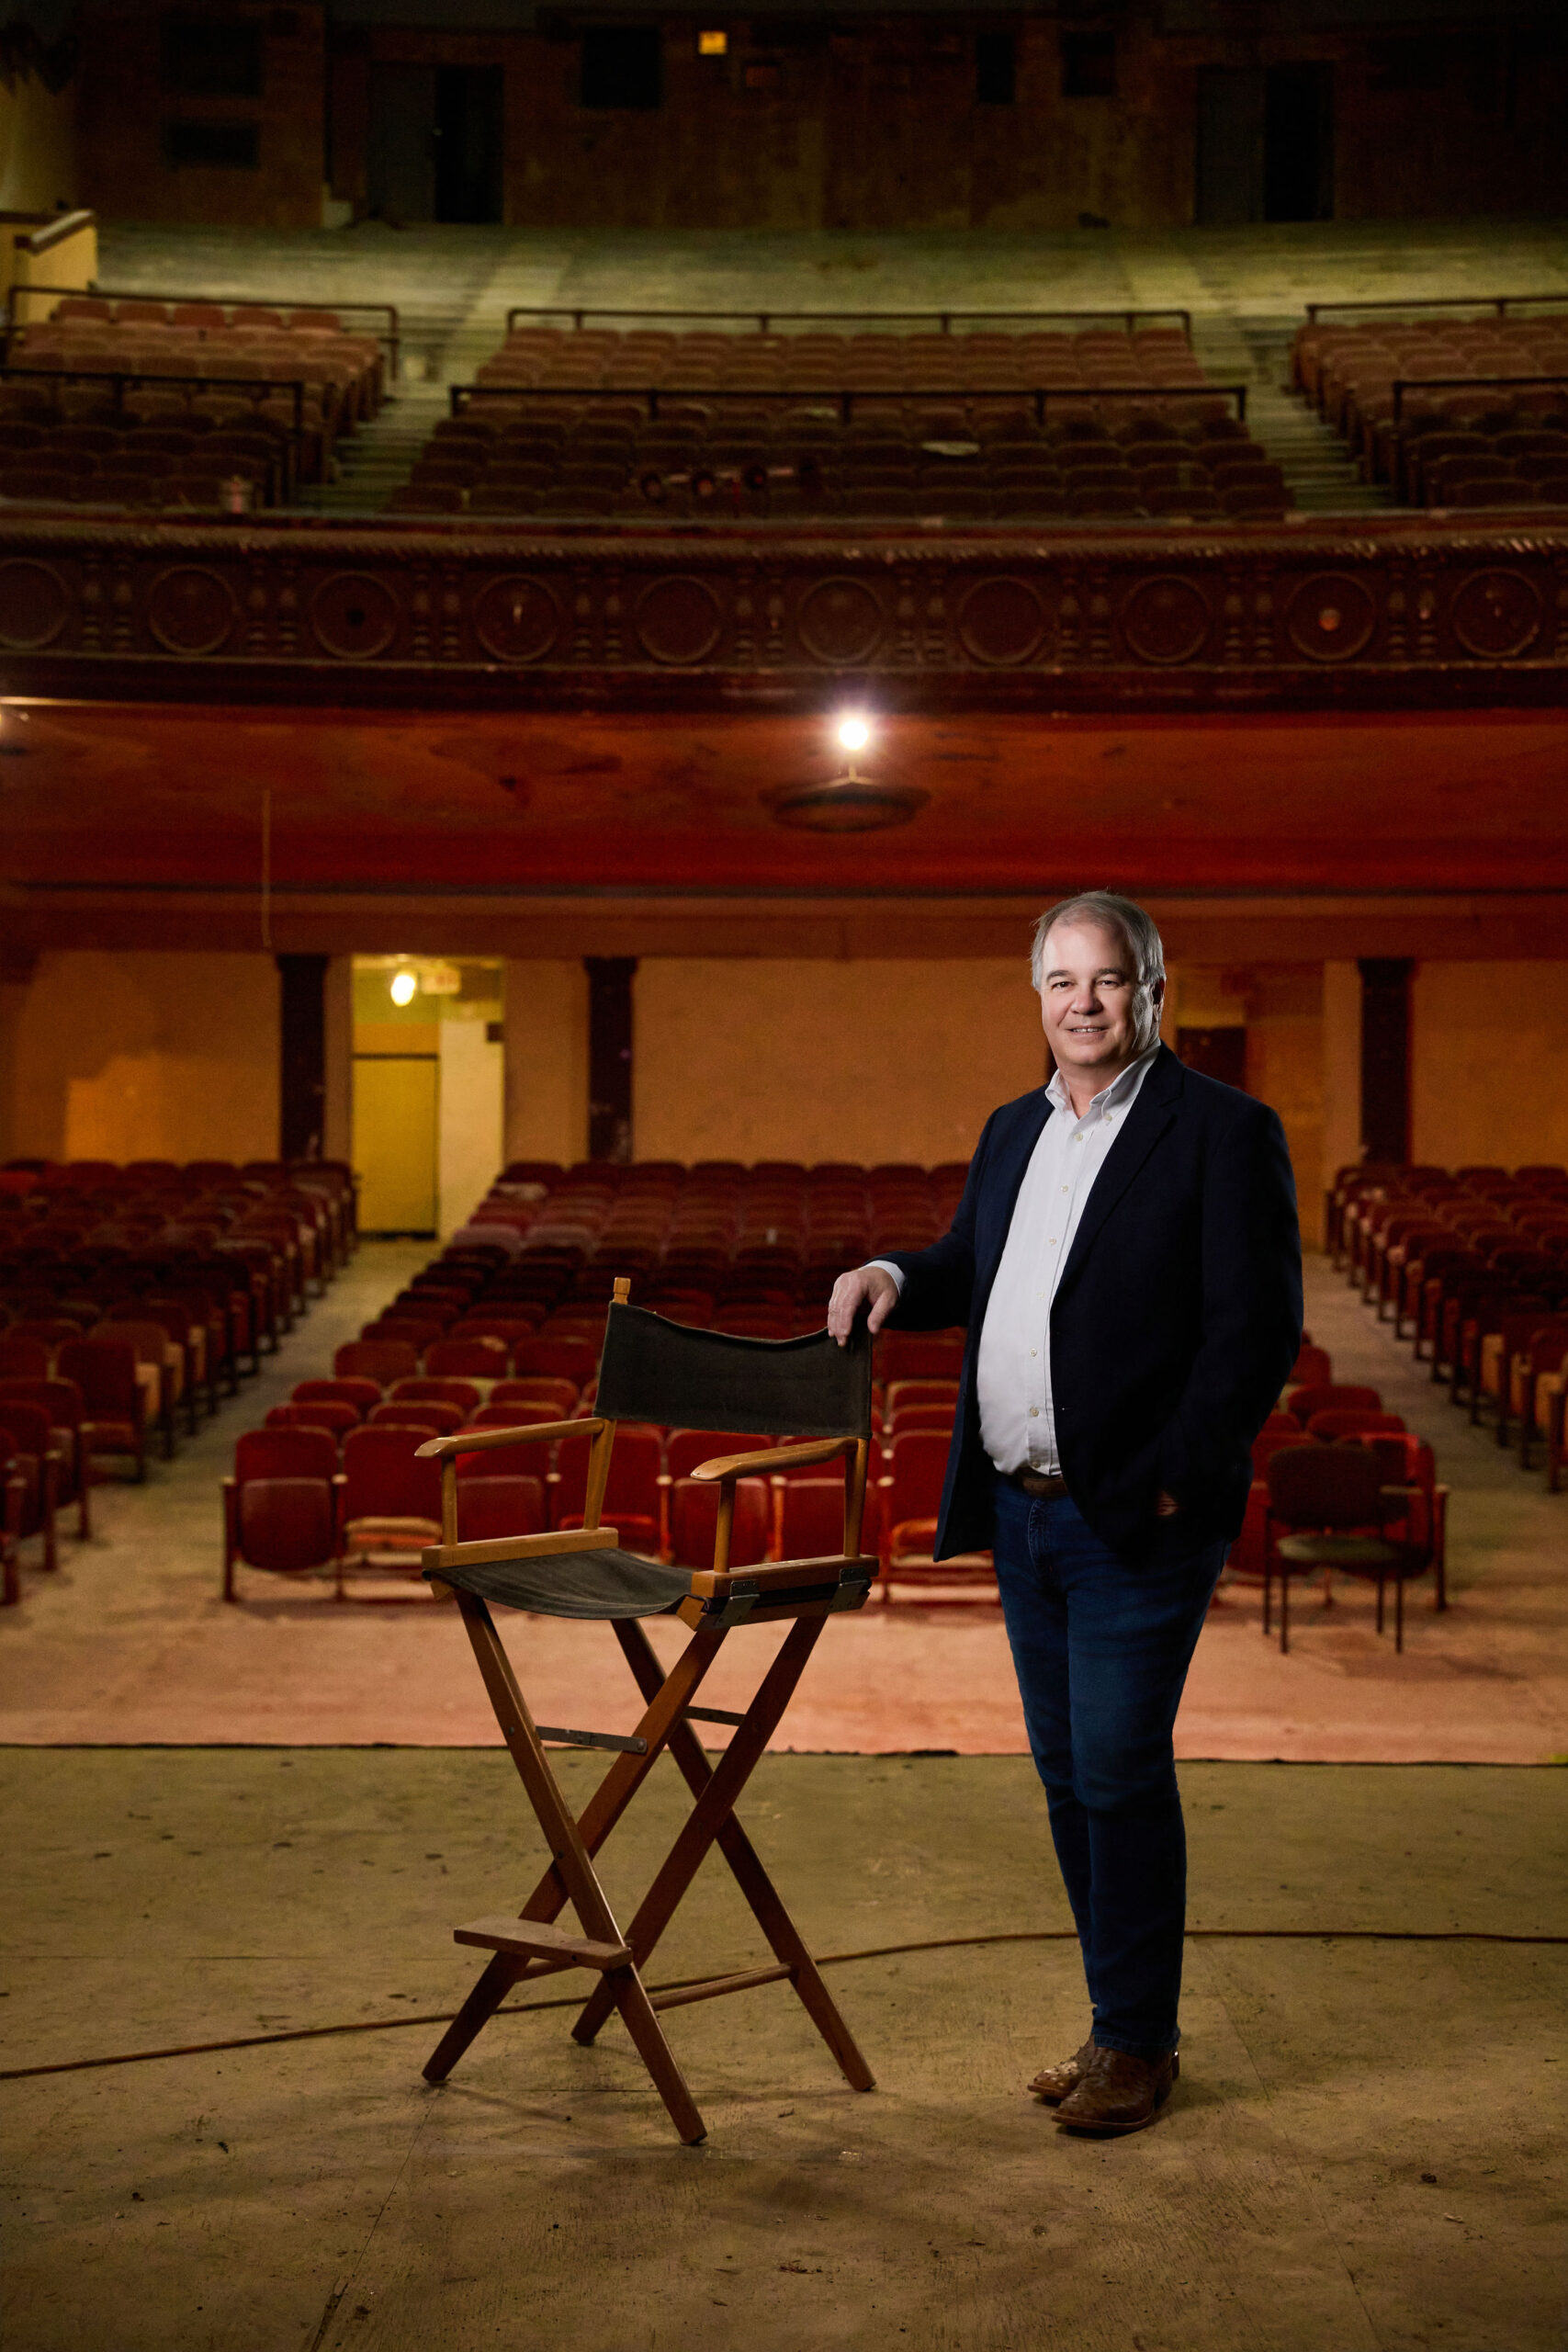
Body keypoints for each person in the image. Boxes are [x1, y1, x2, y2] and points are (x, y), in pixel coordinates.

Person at [829, 890, 1302, 2134]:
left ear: (1155, 991)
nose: (1081, 1003)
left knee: (1118, 1769)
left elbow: (1253, 1333)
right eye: (1060, 982)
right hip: (1024, 1517)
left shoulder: (1221, 1131)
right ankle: (1115, 2029)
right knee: (1064, 1777)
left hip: (1132, 1521)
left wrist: (1170, 1478)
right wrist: (890, 1274)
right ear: (1036, 995)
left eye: (1106, 981)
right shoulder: (1010, 1133)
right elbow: (964, 1268)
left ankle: (1138, 2043)